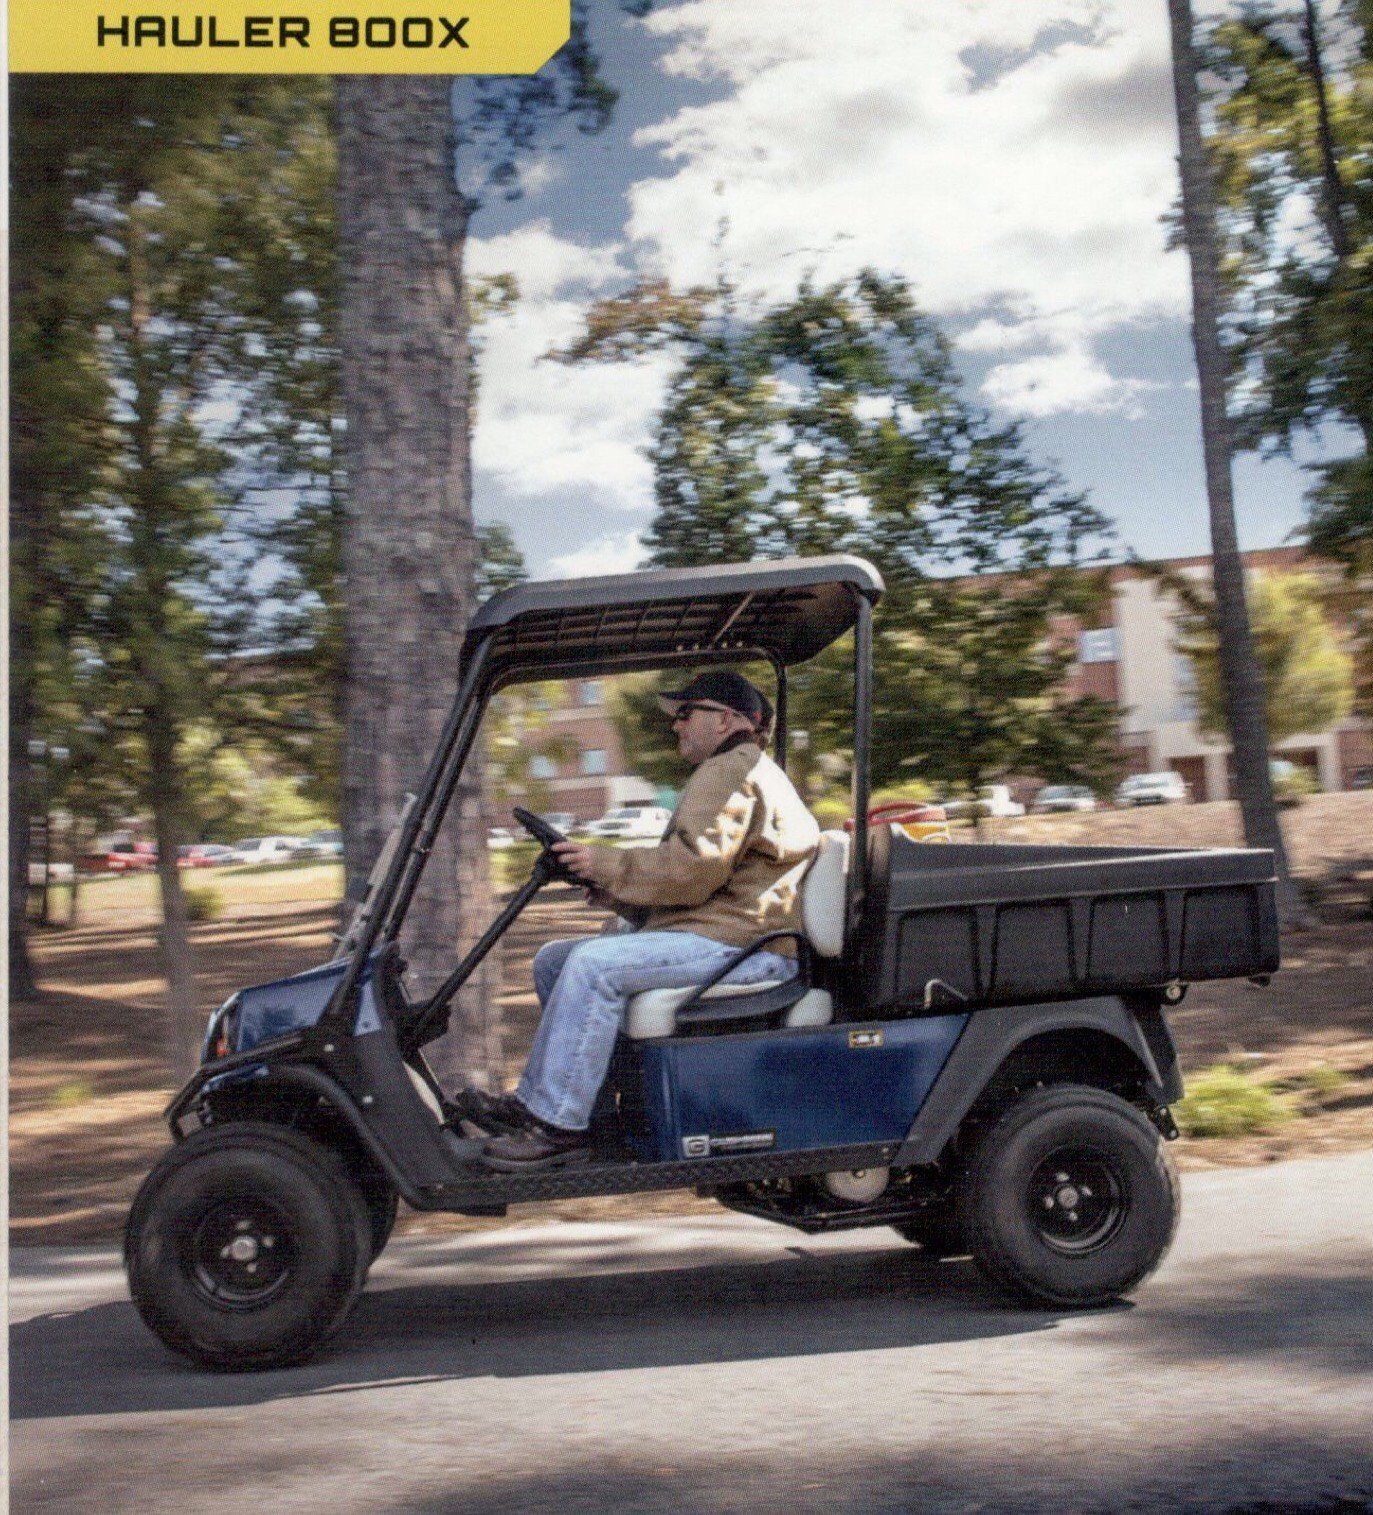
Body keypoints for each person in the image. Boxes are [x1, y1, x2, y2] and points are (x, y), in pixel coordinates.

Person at [459, 669, 821, 1169]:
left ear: (728, 720)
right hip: (727, 933)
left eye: (687, 713)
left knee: (592, 965)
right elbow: (708, 878)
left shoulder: (732, 770)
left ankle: (559, 1127)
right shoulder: (741, 769)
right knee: (553, 961)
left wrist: (603, 862)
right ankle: (565, 1106)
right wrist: (617, 894)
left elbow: (692, 869)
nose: (677, 725)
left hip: (745, 949)